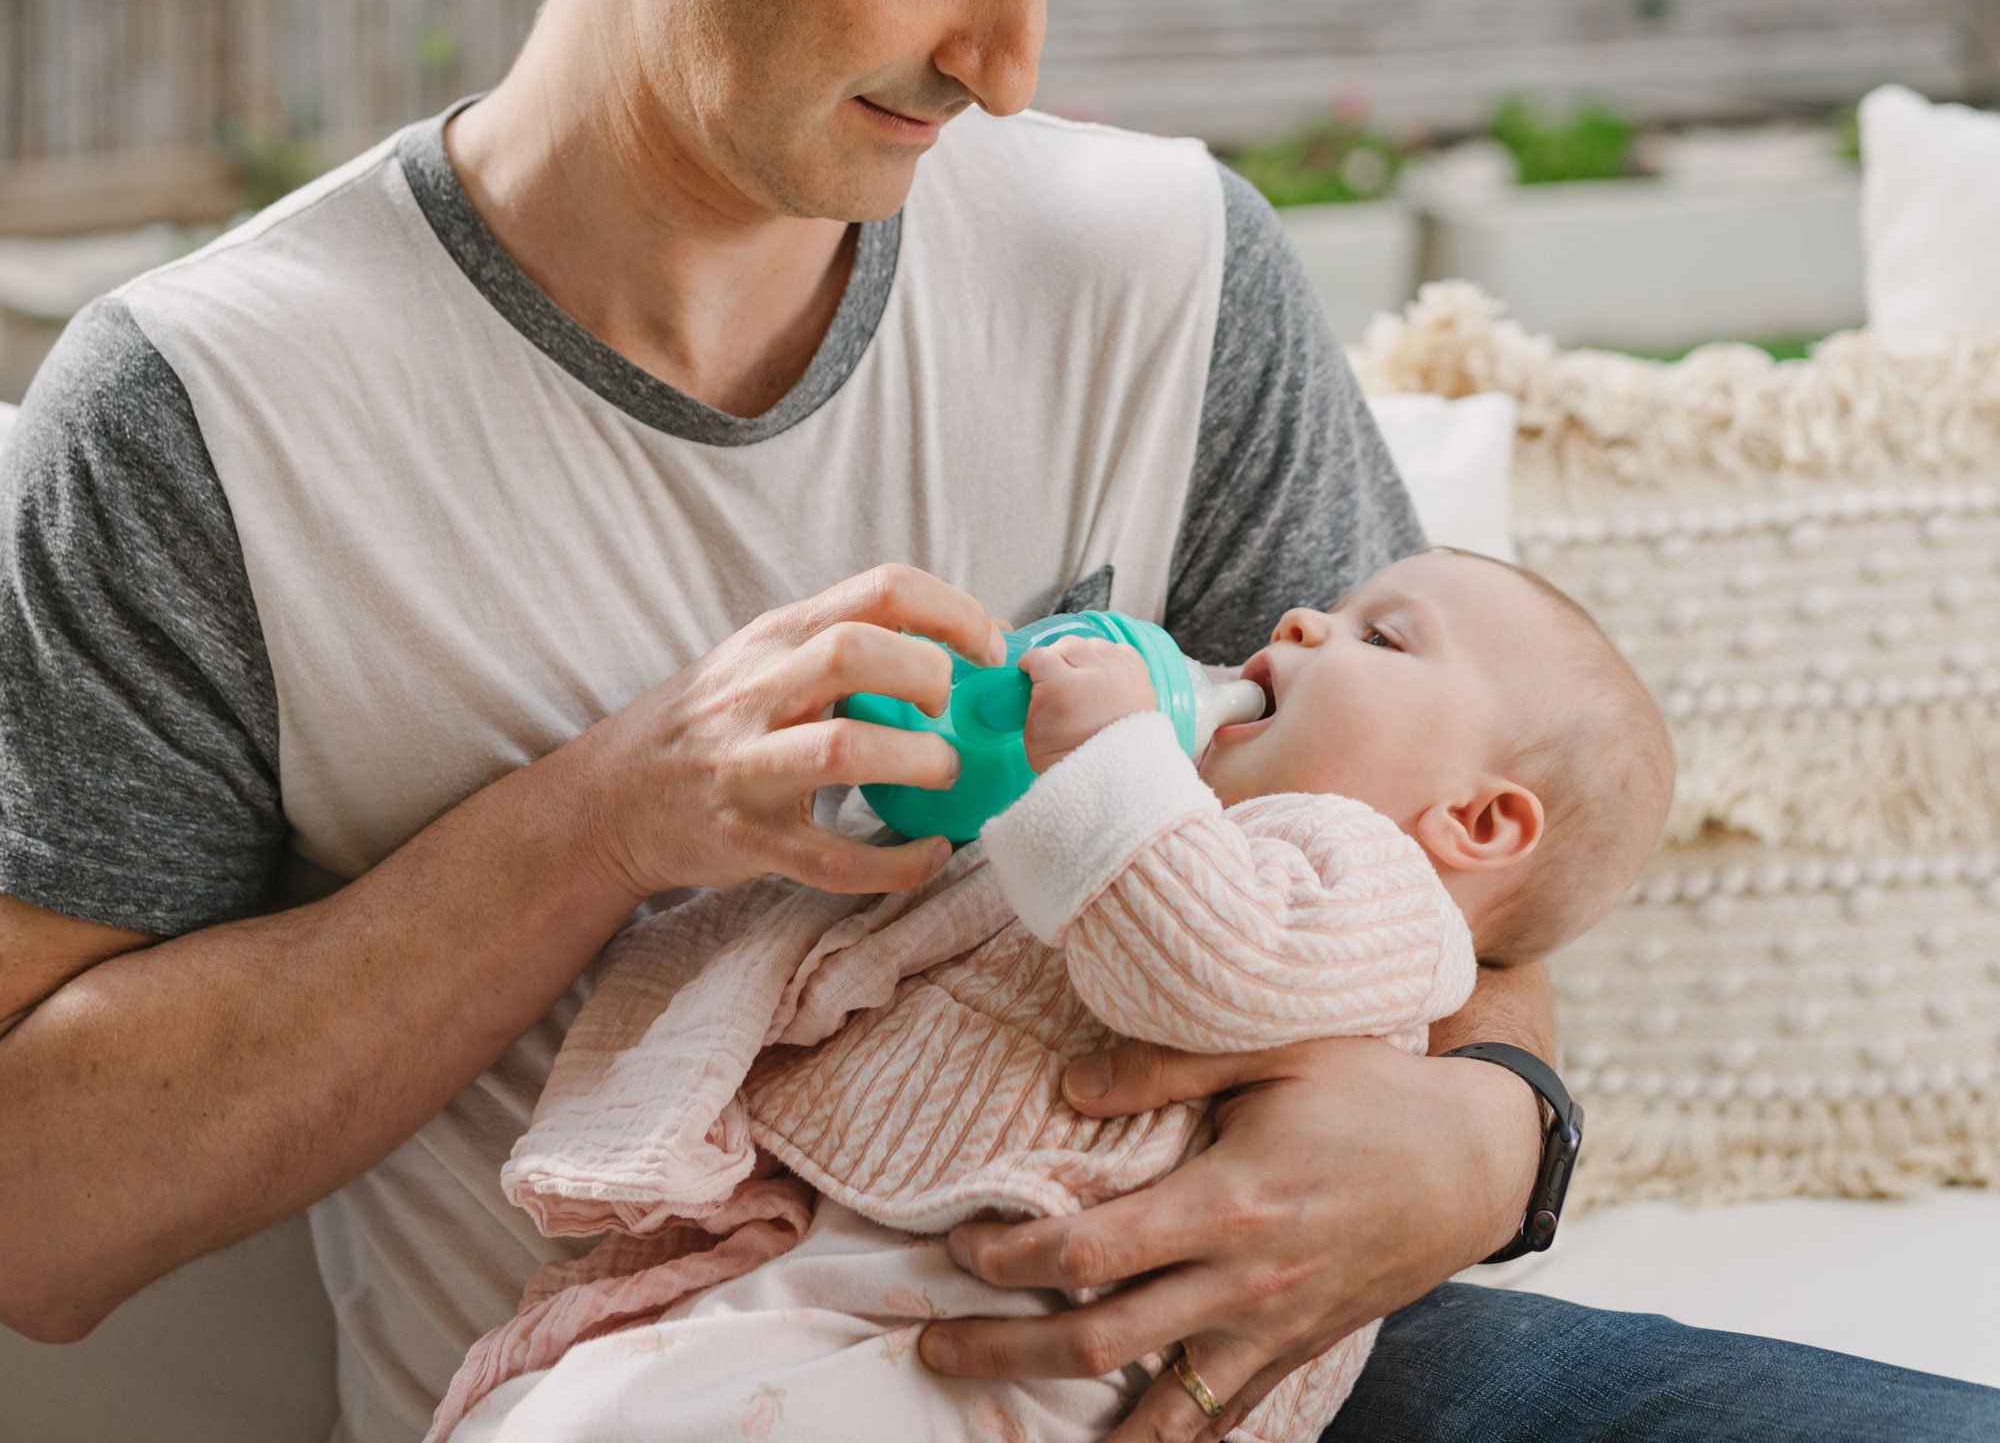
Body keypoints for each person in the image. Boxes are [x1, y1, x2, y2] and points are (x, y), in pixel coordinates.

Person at [0, 0, 1993, 1441]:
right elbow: (38, 1217)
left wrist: (1486, 1138)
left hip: (1232, 1379)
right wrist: (605, 818)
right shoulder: (210, 408)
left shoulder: (1163, 264)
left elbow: (1452, 877)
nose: (1013, 66)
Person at [425, 549, 1676, 1443]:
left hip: (1030, 1357)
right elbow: (849, 945)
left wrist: (1110, 758)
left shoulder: (1369, 886)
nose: (1300, 619)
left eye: (1380, 636)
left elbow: (1203, 965)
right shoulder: (1146, 819)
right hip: (850, 1278)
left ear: (1476, 820)